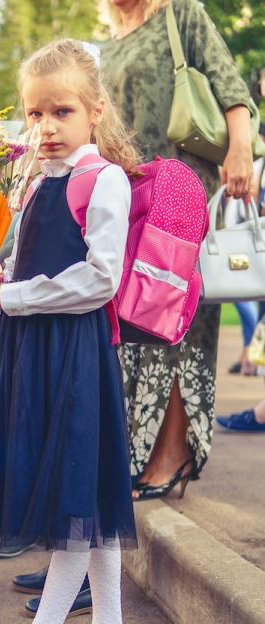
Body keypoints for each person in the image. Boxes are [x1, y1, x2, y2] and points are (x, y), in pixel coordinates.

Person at [0, 39, 137, 624]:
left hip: (74, 354)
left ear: (96, 111)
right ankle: (110, 618)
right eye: (34, 113)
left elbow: (99, 279)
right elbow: (32, 264)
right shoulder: (32, 184)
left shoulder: (103, 178)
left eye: (61, 111)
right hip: (32, 349)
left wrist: (10, 295)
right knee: (85, 497)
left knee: (74, 497)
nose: (46, 126)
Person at [100, 0, 255, 499]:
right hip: (130, 196)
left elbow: (231, 87)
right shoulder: (106, 43)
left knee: (178, 325)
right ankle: (139, 452)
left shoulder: (181, 13)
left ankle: (172, 455)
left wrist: (240, 151)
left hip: (182, 192)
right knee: (137, 325)